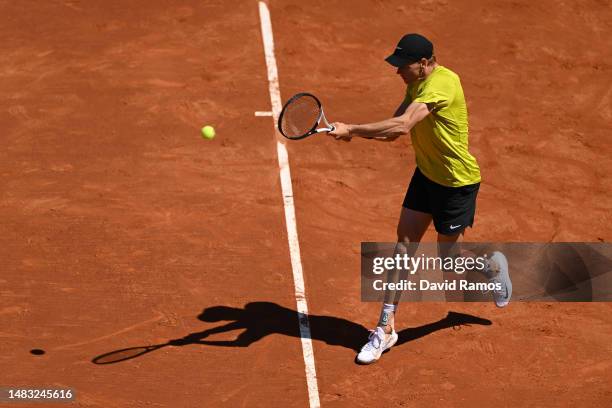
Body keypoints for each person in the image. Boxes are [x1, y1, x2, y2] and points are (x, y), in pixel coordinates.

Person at [328, 33, 512, 364]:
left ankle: (491, 268)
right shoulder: (417, 83)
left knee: (448, 260)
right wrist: (353, 135)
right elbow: (391, 134)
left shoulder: (442, 84)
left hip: (455, 183)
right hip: (426, 175)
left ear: (424, 64)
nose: (397, 71)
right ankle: (385, 328)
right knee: (403, 246)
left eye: (403, 66)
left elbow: (400, 126)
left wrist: (353, 129)